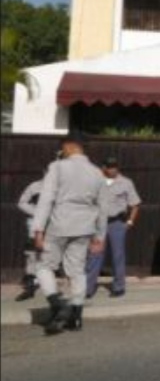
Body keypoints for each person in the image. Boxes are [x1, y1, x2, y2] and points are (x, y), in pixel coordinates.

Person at [32, 132, 107, 335]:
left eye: (62, 148)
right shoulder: (97, 172)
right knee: (77, 271)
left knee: (43, 266)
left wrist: (38, 229)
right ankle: (76, 317)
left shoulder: (57, 167)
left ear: (69, 146)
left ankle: (57, 305)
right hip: (85, 226)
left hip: (60, 223)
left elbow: (46, 199)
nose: (62, 152)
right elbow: (103, 207)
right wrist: (100, 236)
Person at [85, 156, 141, 299]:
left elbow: (135, 204)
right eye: (110, 167)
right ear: (104, 168)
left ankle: (118, 287)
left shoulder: (126, 182)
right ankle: (88, 288)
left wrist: (130, 222)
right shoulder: (96, 182)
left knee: (118, 255)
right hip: (99, 223)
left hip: (117, 222)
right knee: (95, 254)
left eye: (115, 167)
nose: (113, 169)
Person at [15, 178, 44, 301]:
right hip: (35, 223)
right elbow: (22, 203)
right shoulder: (35, 186)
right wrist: (37, 212)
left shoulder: (63, 185)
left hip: (56, 224)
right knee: (32, 253)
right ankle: (30, 286)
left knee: (51, 254)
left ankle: (44, 282)